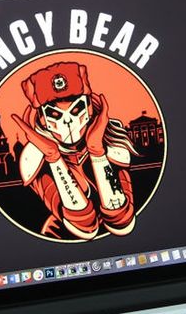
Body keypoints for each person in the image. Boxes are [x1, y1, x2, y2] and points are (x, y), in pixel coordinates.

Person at [11, 62, 137, 240]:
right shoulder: (34, 158)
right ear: (42, 119)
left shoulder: (112, 141)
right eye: (55, 114)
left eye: (76, 109)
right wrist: (54, 158)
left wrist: (97, 151)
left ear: (89, 108)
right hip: (60, 237)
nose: (68, 121)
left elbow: (122, 223)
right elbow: (85, 227)